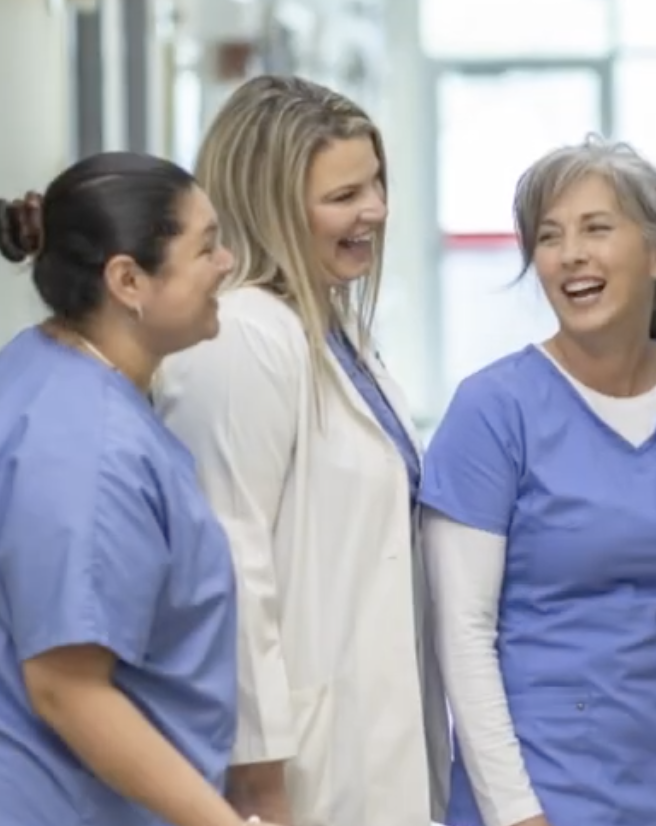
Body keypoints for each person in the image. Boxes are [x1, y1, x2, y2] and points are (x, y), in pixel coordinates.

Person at [421, 135, 656, 826]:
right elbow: (463, 634)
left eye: (596, 228)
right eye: (550, 237)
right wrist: (514, 813)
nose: (570, 255)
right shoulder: (493, 411)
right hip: (542, 795)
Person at [151, 75, 449, 826]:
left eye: (375, 183)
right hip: (292, 774)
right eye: (345, 195)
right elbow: (228, 567)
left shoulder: (329, 325)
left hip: (368, 738)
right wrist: (258, 782)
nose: (375, 210)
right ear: (269, 206)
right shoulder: (239, 340)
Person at [0, 153, 255, 826]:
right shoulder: (87, 445)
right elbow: (67, 690)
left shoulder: (25, 375)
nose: (227, 263)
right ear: (127, 280)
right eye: (206, 247)